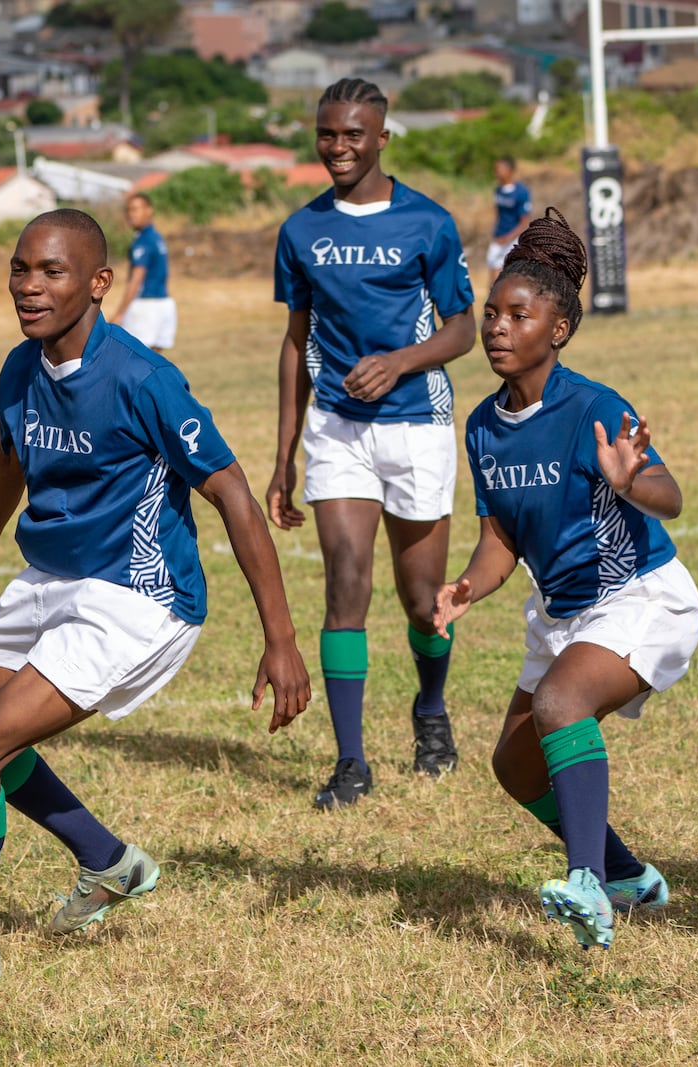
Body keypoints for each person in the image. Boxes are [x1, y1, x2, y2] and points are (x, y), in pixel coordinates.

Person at [0, 209, 310, 993]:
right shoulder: (21, 368)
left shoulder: (144, 378)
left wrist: (280, 638)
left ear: (98, 283)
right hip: (50, 577)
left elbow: (233, 493)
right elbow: (7, 458)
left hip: (136, 596)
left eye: (51, 271)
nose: (29, 285)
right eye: (20, 268)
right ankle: (110, 861)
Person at [433, 209, 698, 950]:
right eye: (491, 314)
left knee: (560, 702)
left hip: (640, 597)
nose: (497, 328)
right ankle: (625, 873)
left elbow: (671, 495)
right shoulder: (484, 424)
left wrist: (632, 479)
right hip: (563, 613)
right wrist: (464, 587)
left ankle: (586, 883)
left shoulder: (593, 405)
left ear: (559, 329)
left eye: (519, 315)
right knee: (515, 766)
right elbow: (501, 535)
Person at [266, 78, 476, 810]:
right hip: (336, 429)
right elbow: (295, 344)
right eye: (327, 134)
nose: (339, 147)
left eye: (354, 134)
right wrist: (284, 455)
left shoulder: (429, 222)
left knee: (423, 601)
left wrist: (400, 362)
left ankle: (430, 707)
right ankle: (350, 762)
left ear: (382, 137)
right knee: (344, 581)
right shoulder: (300, 231)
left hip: (417, 421)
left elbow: (462, 328)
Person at [109, 193, 175, 352]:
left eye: (136, 209)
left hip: (146, 306)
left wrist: (119, 313)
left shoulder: (143, 241)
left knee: (133, 358)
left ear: (149, 210)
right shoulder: (156, 236)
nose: (131, 214)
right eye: (128, 210)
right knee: (154, 360)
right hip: (164, 302)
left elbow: (136, 278)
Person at [487, 157, 533, 281]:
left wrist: (508, 238)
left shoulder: (521, 192)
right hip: (499, 237)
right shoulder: (498, 190)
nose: (496, 172)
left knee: (512, 275)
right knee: (493, 271)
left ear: (509, 170)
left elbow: (524, 222)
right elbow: (499, 215)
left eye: (499, 169)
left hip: (512, 239)